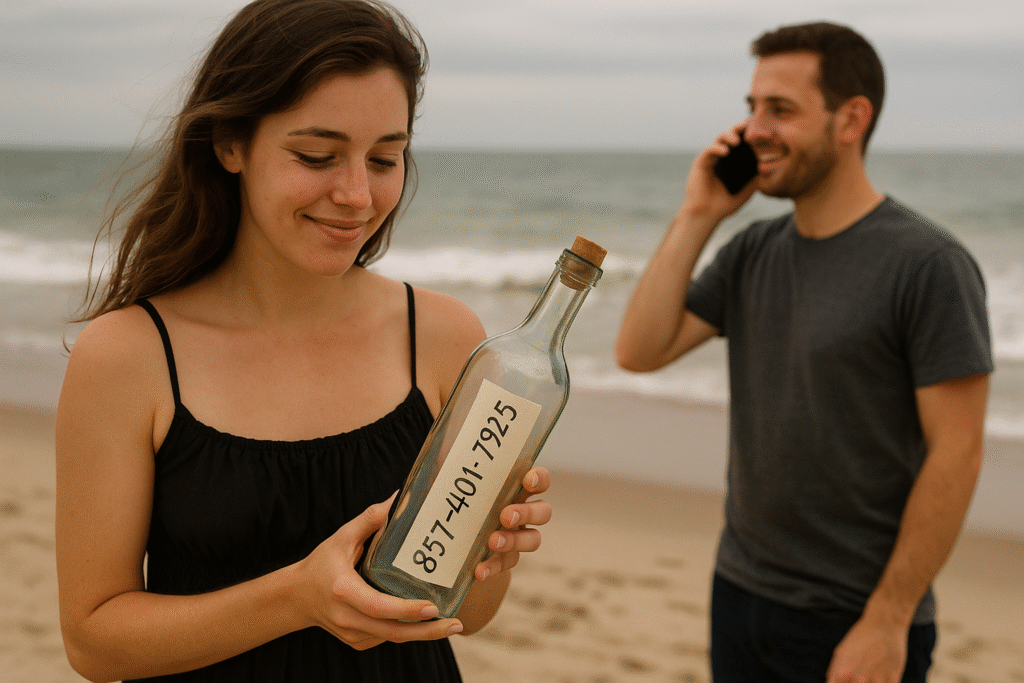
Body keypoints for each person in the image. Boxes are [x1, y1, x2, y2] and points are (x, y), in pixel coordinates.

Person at [54, 1, 552, 681]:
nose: (356, 193)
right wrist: (297, 599)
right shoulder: (127, 355)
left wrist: (491, 551)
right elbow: (93, 641)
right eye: (317, 154)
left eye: (386, 158)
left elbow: (463, 613)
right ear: (231, 144)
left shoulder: (446, 338)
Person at [616, 21, 992, 683]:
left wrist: (888, 619)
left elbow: (957, 453)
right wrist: (699, 214)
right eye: (751, 107)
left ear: (851, 120)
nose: (755, 128)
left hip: (852, 615)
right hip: (738, 589)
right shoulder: (751, 252)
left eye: (781, 110)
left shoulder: (929, 264)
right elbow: (639, 350)